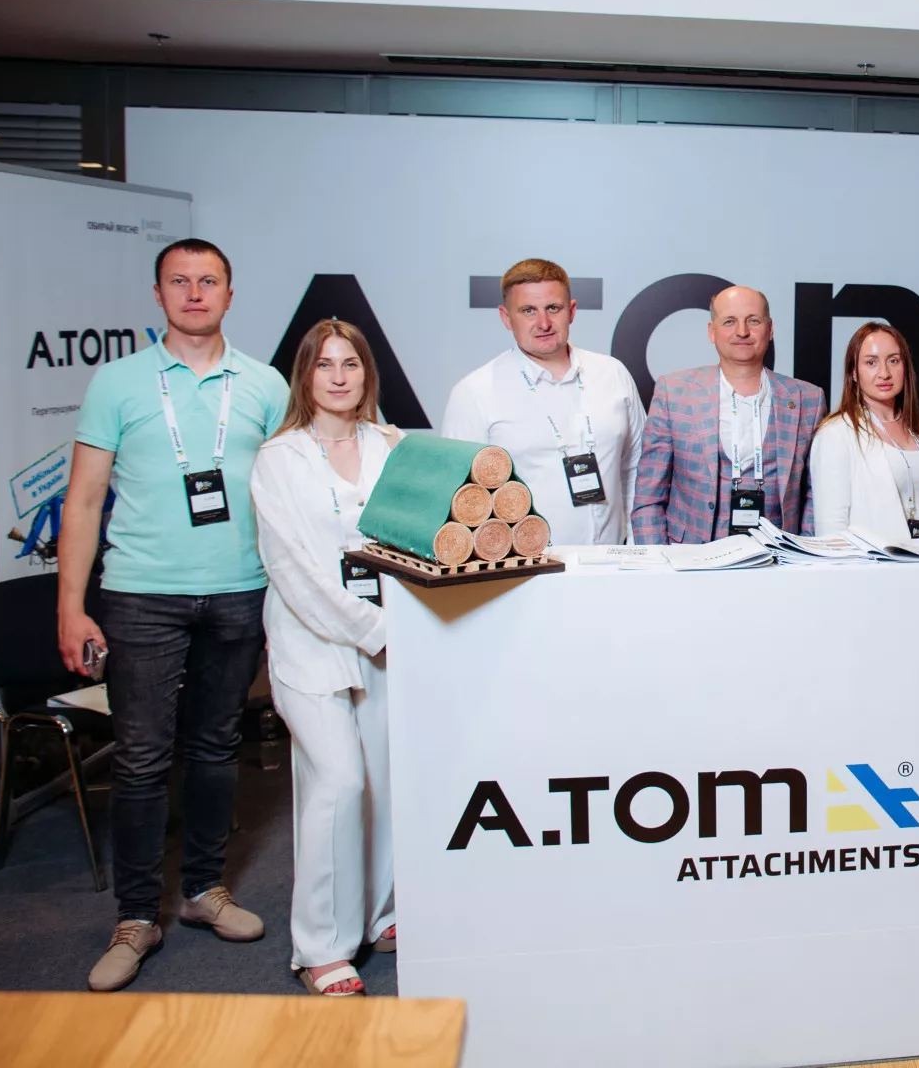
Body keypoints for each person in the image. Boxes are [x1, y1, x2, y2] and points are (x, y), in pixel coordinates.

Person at [58, 238, 290, 993]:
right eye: (179, 282)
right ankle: (135, 917)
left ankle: (202, 890)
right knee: (141, 757)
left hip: (239, 590)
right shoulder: (119, 382)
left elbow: (288, 494)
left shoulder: (263, 384)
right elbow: (83, 501)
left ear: (230, 293)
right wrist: (71, 607)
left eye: (209, 281)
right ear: (158, 295)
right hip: (141, 594)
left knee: (217, 747)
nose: (195, 293)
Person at [251, 320, 401, 997]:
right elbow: (293, 569)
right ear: (305, 376)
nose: (339, 377)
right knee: (337, 782)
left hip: (390, 640)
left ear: (367, 373)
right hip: (314, 642)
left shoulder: (391, 446)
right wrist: (373, 628)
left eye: (351, 364)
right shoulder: (279, 458)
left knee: (384, 780)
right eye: (325, 365)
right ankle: (320, 946)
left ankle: (379, 914)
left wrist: (395, 630)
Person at [442, 259, 645, 545]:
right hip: (529, 567)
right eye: (528, 310)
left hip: (613, 560)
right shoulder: (475, 392)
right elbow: (461, 501)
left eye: (553, 308)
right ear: (506, 318)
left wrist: (637, 550)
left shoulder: (612, 373)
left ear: (571, 311)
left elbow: (638, 469)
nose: (544, 323)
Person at [632, 285, 827, 543]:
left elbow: (816, 495)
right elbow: (648, 497)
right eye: (729, 321)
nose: (742, 331)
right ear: (711, 332)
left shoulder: (808, 399)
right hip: (690, 557)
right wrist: (658, 561)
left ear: (770, 330)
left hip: (777, 559)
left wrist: (803, 555)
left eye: (753, 321)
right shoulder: (674, 393)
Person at [808, 322, 919, 544]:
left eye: (893, 360)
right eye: (871, 362)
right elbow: (831, 531)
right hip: (872, 564)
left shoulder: (918, 430)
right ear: (854, 372)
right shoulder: (836, 434)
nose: (884, 373)